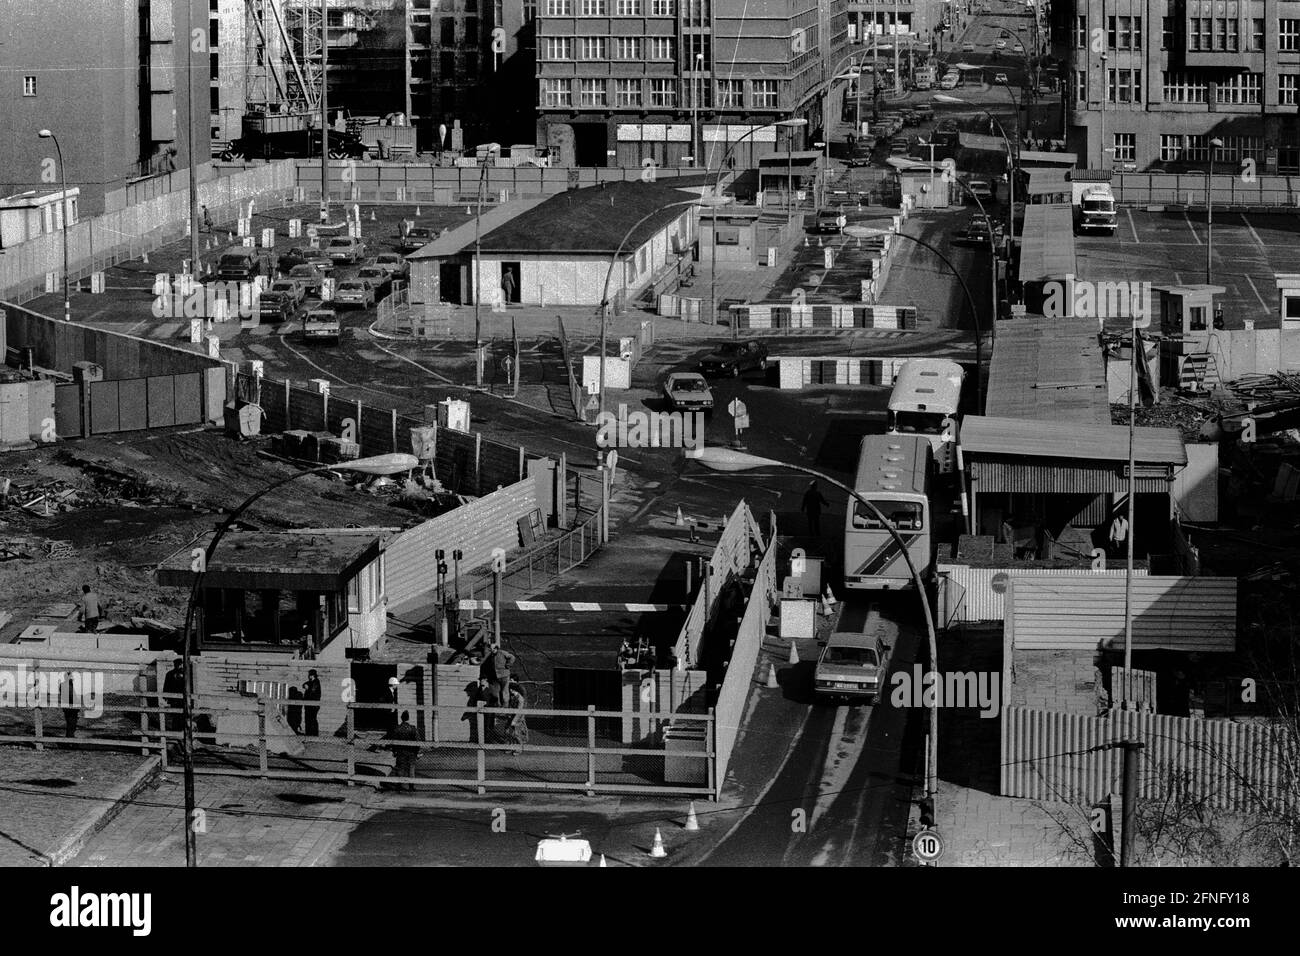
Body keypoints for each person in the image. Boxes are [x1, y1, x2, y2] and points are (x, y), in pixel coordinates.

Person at [383, 711, 421, 790]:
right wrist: (416, 752)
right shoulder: (413, 728)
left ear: (401, 718)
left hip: (401, 751)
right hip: (411, 752)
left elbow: (394, 741)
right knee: (411, 768)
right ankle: (411, 786)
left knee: (400, 768)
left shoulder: (397, 729)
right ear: (408, 718)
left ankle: (399, 785)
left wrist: (394, 751)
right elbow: (418, 741)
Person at [503, 683, 529, 755]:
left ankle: (518, 749)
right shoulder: (513, 697)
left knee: (516, 734)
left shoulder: (520, 699)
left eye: (512, 689)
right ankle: (509, 747)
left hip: (518, 719)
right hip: (511, 717)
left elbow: (519, 711)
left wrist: (514, 720)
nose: (511, 690)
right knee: (508, 732)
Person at [162, 658, 186, 735]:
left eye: (180, 664)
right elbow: (166, 685)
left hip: (183, 698)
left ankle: (182, 729)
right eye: (177, 664)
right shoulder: (169, 674)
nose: (179, 666)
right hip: (174, 698)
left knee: (183, 714)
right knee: (175, 714)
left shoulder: (185, 674)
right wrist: (166, 696)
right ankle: (175, 729)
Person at [303, 669, 322, 737]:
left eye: (309, 675)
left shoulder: (316, 682)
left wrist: (308, 688)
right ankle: (309, 733)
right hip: (309, 704)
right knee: (309, 719)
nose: (308, 676)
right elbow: (304, 684)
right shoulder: (311, 682)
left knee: (312, 719)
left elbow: (312, 690)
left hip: (313, 704)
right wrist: (305, 685)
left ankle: (313, 733)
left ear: (312, 675)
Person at [61, 672, 79, 738]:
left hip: (69, 707)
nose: (73, 678)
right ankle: (70, 739)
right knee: (71, 724)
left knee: (70, 724)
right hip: (71, 707)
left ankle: (69, 739)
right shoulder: (68, 685)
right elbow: (70, 696)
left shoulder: (66, 685)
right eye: (71, 677)